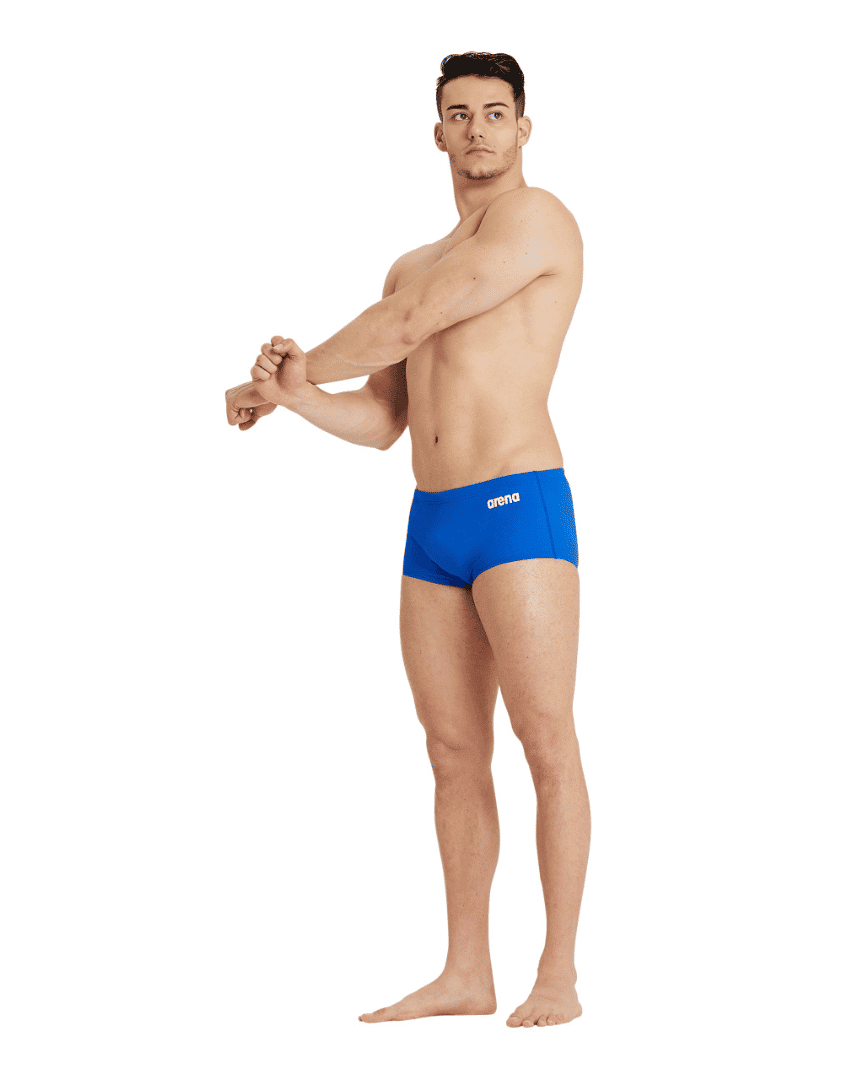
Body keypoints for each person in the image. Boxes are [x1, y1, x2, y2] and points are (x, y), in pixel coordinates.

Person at [225, 52, 589, 1029]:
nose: (477, 129)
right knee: (452, 749)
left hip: (517, 503)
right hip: (433, 522)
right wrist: (297, 400)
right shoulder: (408, 263)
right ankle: (466, 971)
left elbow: (411, 321)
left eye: (495, 113)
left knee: (546, 740)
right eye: (459, 114)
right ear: (436, 133)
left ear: (524, 128)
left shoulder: (537, 220)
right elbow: (384, 419)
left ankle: (557, 972)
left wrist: (280, 376)